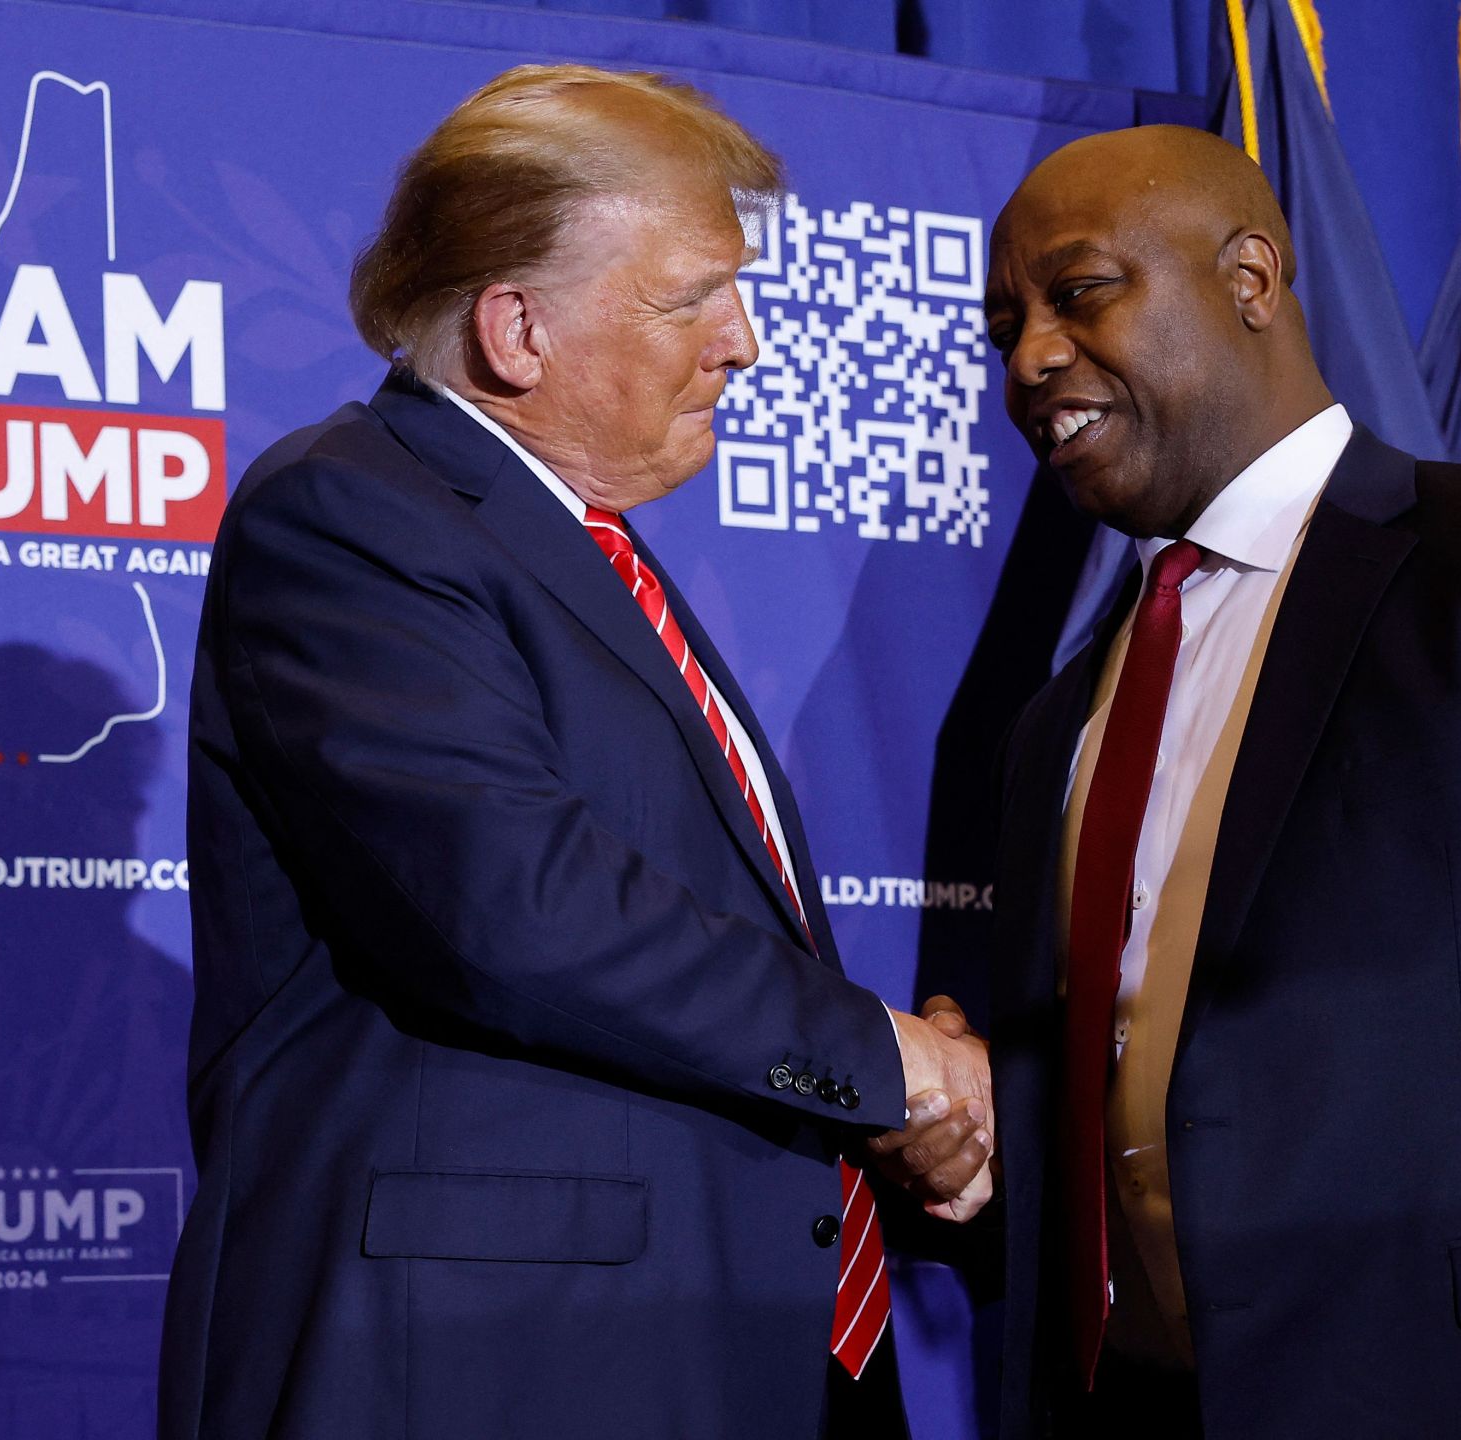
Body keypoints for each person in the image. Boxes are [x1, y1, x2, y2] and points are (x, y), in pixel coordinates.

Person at [157, 65, 993, 1440]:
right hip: (496, 1370)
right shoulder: (353, 514)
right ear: (517, 329)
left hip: (712, 1340)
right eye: (692, 297)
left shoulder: (582, 555)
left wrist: (880, 1116)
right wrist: (877, 1057)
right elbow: (513, 906)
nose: (743, 342)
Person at [900, 123, 1461, 1438]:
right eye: (1005, 328)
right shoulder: (1057, 722)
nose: (1030, 359)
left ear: (1251, 279)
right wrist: (979, 1144)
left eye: (1080, 293)